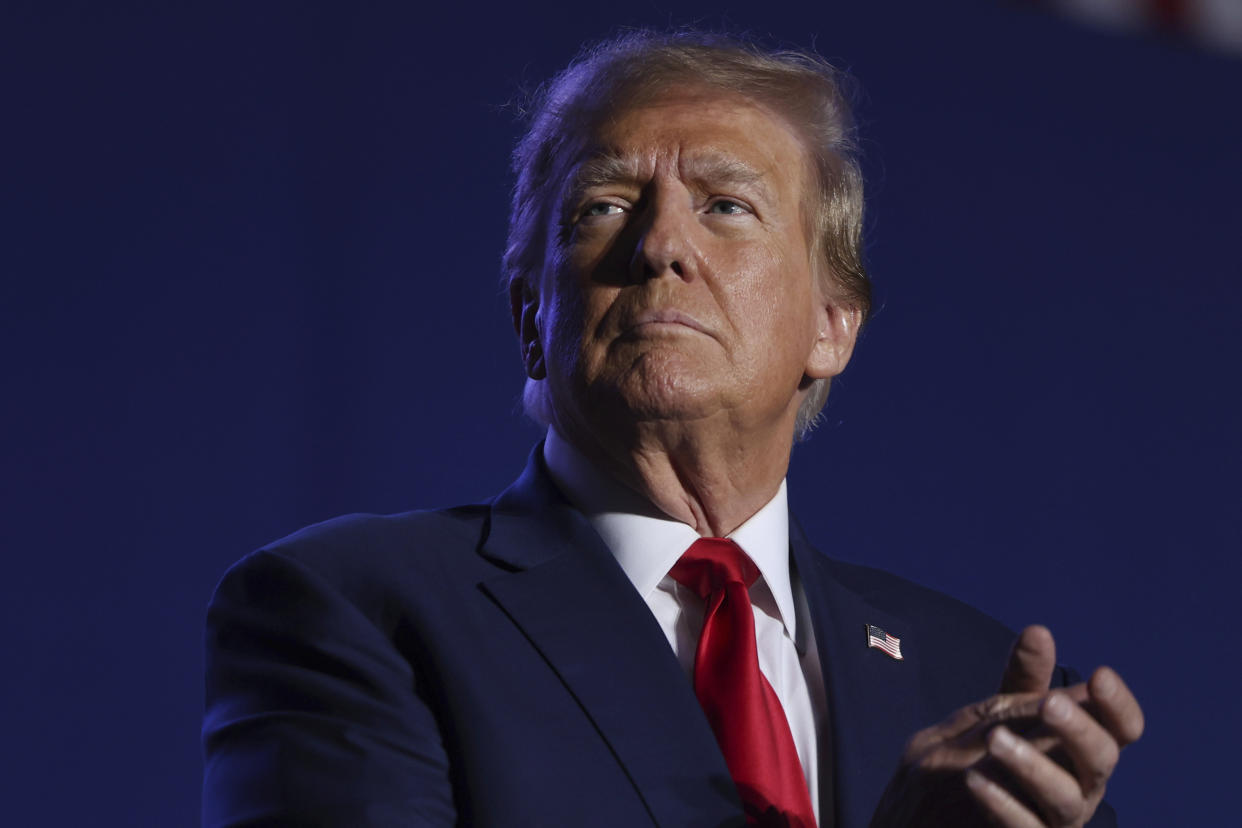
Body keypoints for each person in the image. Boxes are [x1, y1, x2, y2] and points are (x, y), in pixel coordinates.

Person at [202, 30, 1143, 827]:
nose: (658, 246)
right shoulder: (355, 612)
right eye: (604, 207)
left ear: (832, 325)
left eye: (727, 207)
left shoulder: (969, 680)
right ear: (532, 317)